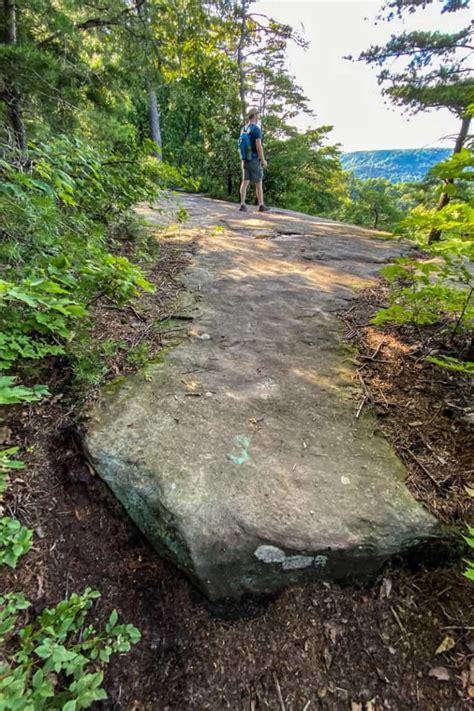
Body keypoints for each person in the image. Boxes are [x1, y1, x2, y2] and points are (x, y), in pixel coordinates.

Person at [239, 107, 270, 213]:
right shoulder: (256, 129)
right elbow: (259, 146)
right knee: (258, 182)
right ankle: (261, 205)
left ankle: (242, 204)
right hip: (253, 159)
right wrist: (263, 160)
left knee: (245, 182)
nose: (259, 116)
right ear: (255, 115)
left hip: (244, 159)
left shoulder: (244, 128)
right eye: (258, 114)